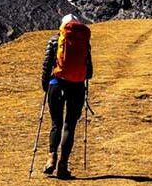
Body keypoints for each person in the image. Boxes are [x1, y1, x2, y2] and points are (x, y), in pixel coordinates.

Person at [40, 14, 93, 179]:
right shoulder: (84, 42)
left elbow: (46, 65)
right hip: (76, 87)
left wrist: (46, 87)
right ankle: (63, 165)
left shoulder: (55, 41)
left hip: (56, 84)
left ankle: (51, 158)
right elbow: (89, 72)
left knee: (56, 123)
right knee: (69, 125)